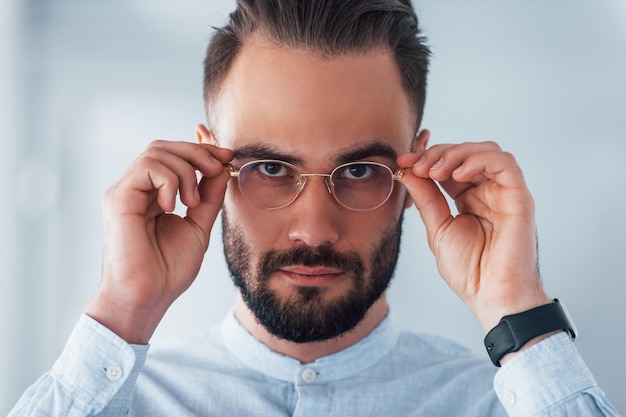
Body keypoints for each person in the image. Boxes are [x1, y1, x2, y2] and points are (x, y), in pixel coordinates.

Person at [9, 0, 620, 416]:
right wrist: (121, 310)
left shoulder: (509, 401)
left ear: (417, 172)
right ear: (207, 166)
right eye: (271, 169)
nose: (313, 229)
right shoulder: (116, 400)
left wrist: (518, 310)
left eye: (358, 171)